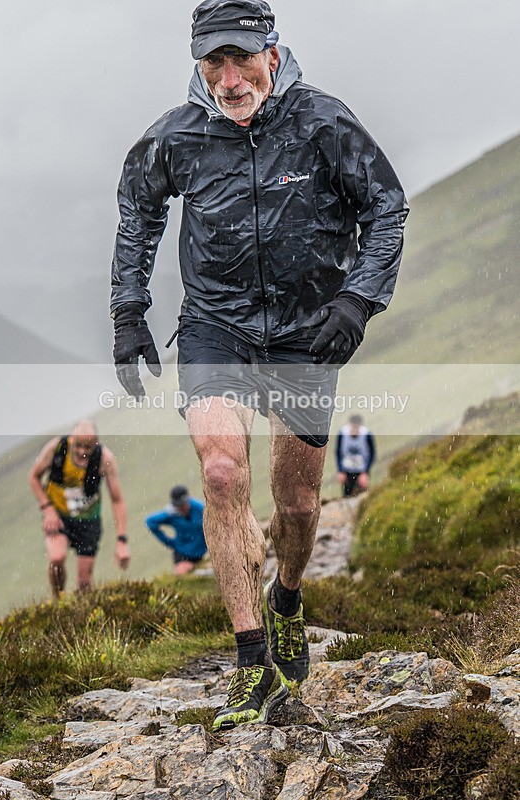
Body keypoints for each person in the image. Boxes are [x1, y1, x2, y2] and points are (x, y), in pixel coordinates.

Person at [110, 0, 408, 731]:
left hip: (309, 330)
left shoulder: (323, 123)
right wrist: (127, 313)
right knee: (220, 473)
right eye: (213, 60)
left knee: (299, 505)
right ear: (198, 62)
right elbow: (138, 214)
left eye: (241, 57)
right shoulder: (174, 136)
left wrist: (356, 303)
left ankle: (287, 597)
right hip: (216, 326)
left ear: (271, 52)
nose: (228, 75)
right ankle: (249, 659)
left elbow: (387, 208)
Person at [29, 420, 130, 597]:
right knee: (57, 558)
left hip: (88, 521)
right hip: (58, 516)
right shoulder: (57, 448)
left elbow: (117, 500)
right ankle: (58, 599)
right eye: (78, 446)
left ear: (96, 442)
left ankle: (82, 612)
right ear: (72, 440)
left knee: (84, 582)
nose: (82, 452)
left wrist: (122, 541)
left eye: (88, 448)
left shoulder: (105, 459)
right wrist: (48, 510)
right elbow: (34, 477)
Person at [145, 485, 207, 575]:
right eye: (178, 505)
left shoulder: (200, 508)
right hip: (183, 554)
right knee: (184, 576)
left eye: (184, 504)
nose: (182, 508)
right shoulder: (171, 514)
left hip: (203, 552)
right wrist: (169, 542)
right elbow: (150, 522)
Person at [336, 414, 376, 497]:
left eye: (356, 427)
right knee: (347, 496)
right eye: (352, 426)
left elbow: (372, 454)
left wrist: (365, 472)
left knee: (362, 495)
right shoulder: (342, 433)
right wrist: (340, 470)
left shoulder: (367, 434)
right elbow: (338, 452)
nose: (354, 429)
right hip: (346, 471)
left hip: (361, 471)